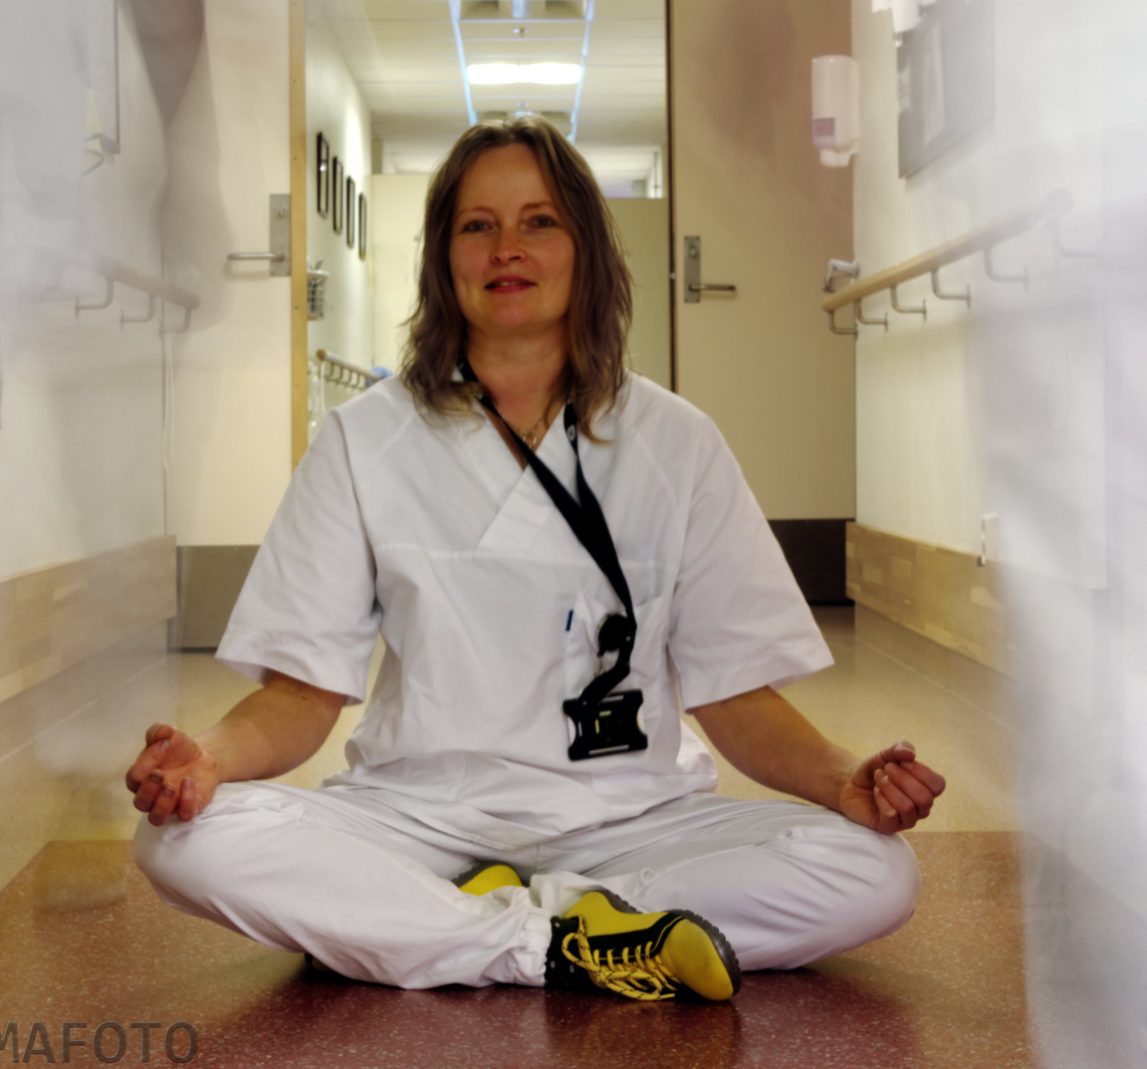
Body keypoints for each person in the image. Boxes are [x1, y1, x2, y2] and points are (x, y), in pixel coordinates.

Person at [128, 116, 946, 1002]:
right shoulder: (365, 440)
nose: (506, 248)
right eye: (476, 225)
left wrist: (842, 778)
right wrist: (207, 758)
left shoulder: (676, 441)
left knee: (874, 873)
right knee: (184, 841)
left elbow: (736, 694)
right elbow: (300, 694)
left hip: (628, 817)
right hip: (418, 815)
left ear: (587, 250)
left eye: (539, 222)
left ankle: (440, 930)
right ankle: (572, 940)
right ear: (443, 259)